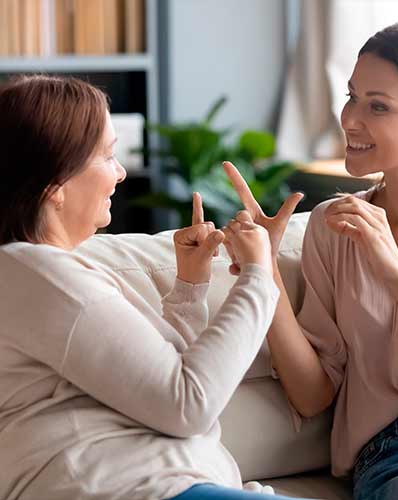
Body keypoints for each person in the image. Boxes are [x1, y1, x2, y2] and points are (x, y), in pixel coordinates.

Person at [0, 75, 313, 500]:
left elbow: (158, 384)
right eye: (108, 156)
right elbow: (189, 404)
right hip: (131, 488)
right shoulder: (36, 274)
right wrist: (259, 274)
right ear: (55, 186)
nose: (122, 172)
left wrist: (190, 285)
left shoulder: (46, 274)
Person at [223, 20, 398, 500]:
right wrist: (262, 271)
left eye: (378, 106)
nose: (350, 118)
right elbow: (313, 396)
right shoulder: (334, 227)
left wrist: (395, 273)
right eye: (352, 96)